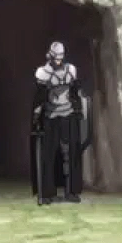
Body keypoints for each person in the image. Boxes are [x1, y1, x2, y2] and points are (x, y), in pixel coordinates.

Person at [32, 41, 88, 204]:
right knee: (48, 155)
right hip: (51, 116)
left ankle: (71, 191)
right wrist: (37, 116)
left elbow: (75, 92)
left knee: (71, 153)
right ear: (50, 56)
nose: (58, 61)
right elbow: (40, 97)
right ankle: (47, 193)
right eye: (56, 57)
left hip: (68, 114)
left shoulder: (71, 70)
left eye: (60, 58)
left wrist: (79, 109)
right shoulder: (43, 73)